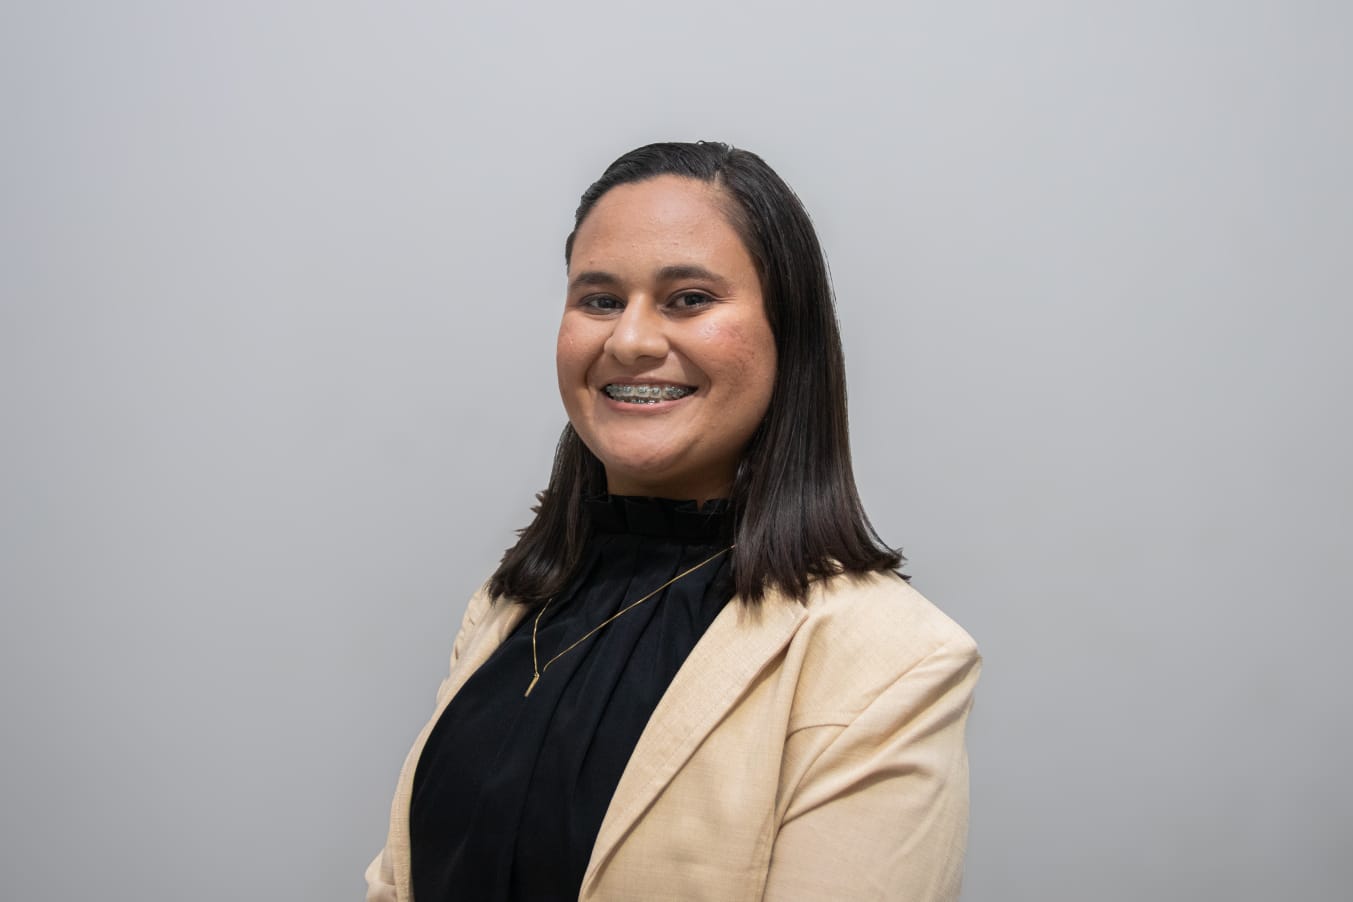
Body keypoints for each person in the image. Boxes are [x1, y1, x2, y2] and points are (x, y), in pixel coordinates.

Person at [366, 141, 981, 901]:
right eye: (599, 300)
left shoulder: (893, 659)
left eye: (688, 298)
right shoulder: (508, 609)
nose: (629, 340)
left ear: (788, 334)